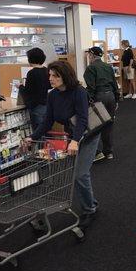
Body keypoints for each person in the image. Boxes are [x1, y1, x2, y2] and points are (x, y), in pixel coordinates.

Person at [25, 61, 100, 228]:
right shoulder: (52, 95)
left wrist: (75, 141)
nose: (51, 78)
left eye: (55, 76)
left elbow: (82, 118)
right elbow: (47, 121)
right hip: (73, 134)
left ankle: (90, 209)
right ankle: (92, 202)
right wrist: (32, 137)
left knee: (80, 174)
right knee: (76, 173)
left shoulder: (79, 92)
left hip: (87, 135)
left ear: (65, 76)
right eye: (50, 75)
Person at [84, 46, 120, 161]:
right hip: (111, 97)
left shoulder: (90, 68)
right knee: (109, 125)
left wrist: (88, 101)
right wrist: (117, 99)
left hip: (99, 97)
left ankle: (95, 153)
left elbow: (91, 88)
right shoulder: (108, 66)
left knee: (94, 125)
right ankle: (108, 152)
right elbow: (114, 84)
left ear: (92, 55)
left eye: (89, 54)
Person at [19, 48, 50, 132]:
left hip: (36, 106)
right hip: (46, 105)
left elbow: (28, 91)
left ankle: (39, 146)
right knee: (45, 130)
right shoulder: (47, 71)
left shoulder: (32, 73)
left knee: (38, 132)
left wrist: (20, 86)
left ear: (30, 59)